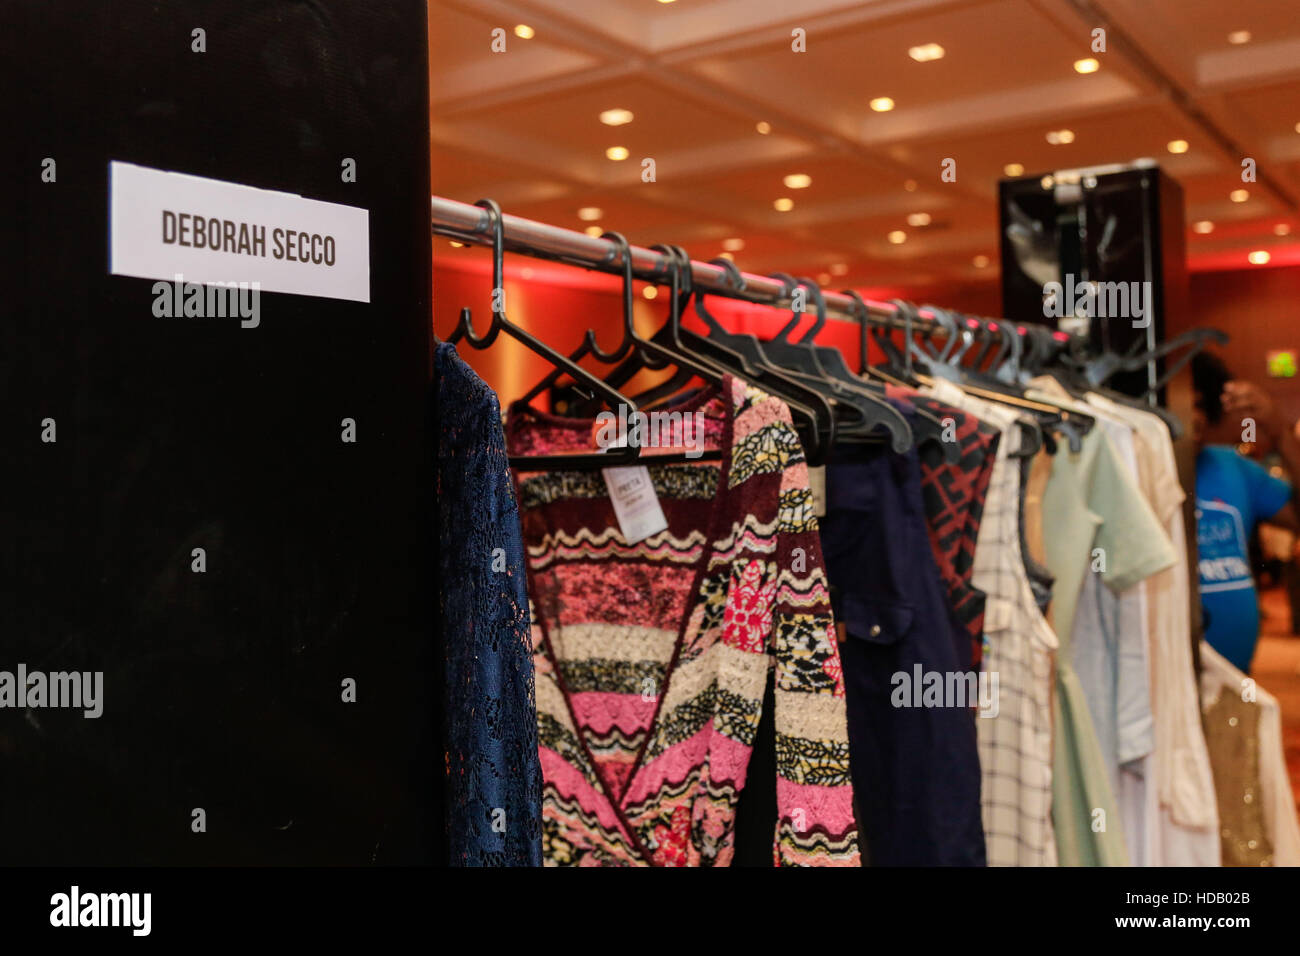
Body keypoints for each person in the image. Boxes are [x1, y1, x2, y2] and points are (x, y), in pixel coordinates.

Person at [1192, 352, 1300, 672]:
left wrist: (1280, 433)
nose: (1194, 417)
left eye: (1201, 404)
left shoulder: (1232, 465)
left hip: (1238, 672)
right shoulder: (1135, 471)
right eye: (1185, 403)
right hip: (1168, 675)